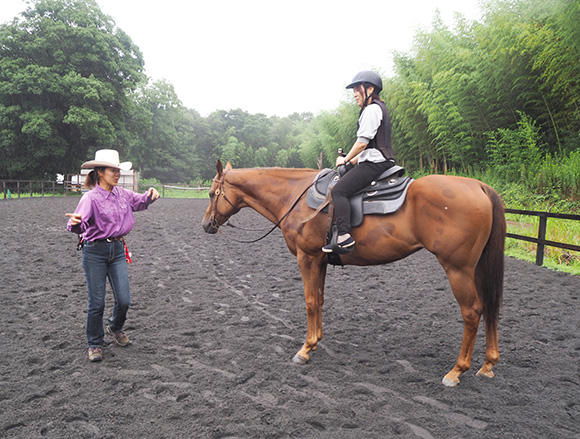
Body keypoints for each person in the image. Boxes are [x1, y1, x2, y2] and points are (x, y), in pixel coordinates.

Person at [66, 149, 160, 362]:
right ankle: (95, 343)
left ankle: (115, 327)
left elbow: (140, 201)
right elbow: (78, 224)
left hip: (117, 250)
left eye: (118, 170)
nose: (117, 174)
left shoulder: (123, 194)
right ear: (100, 172)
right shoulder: (90, 198)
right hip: (94, 252)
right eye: (113, 170)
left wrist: (150, 195)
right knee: (96, 302)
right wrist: (75, 224)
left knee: (124, 299)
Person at [322, 71, 396, 254]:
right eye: (353, 90)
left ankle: (344, 235)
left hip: (375, 163)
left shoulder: (371, 110)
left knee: (339, 190)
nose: (354, 94)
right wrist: (351, 162)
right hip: (379, 159)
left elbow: (362, 143)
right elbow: (371, 145)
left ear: (370, 89)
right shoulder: (379, 107)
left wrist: (344, 160)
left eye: (357, 89)